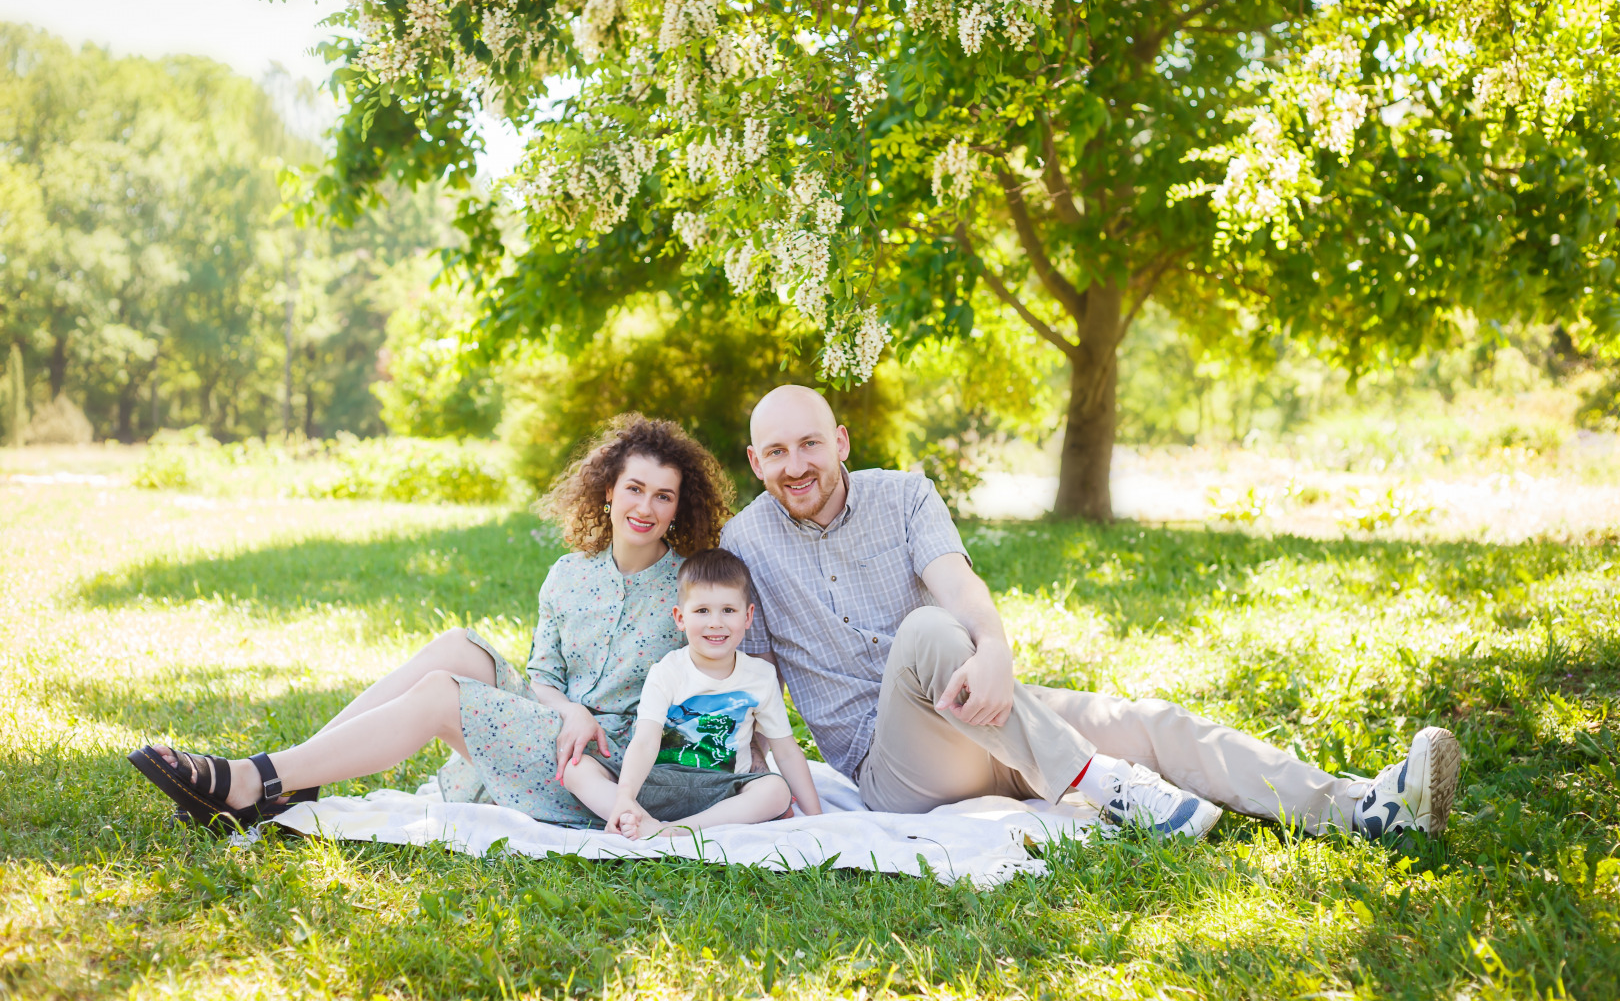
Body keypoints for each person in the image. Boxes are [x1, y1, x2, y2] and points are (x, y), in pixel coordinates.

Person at [720, 385, 1460, 841]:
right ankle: (1097, 783)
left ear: (841, 442)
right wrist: (755, 783)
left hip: (987, 718)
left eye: (811, 443)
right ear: (755, 463)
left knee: (1154, 724)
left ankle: (1363, 808)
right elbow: (747, 675)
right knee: (925, 633)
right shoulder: (744, 540)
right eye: (776, 452)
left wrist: (998, 645)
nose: (796, 466)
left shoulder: (904, 495)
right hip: (898, 768)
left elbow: (957, 584)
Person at [129, 414, 734, 830]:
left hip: (605, 764)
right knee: (457, 647)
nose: (646, 508)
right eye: (635, 488)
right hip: (558, 724)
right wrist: (569, 708)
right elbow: (544, 676)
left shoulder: (690, 588)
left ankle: (250, 780)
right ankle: (296, 776)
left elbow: (714, 685)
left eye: (664, 496)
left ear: (680, 507)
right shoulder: (567, 575)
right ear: (608, 491)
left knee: (443, 696)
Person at [560, 548, 823, 838]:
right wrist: (625, 794)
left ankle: (672, 831)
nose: (715, 622)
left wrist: (817, 818)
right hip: (658, 784)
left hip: (723, 792)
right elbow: (646, 740)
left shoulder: (760, 676)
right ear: (680, 617)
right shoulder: (667, 671)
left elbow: (786, 751)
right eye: (702, 611)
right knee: (577, 770)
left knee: (775, 790)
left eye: (728, 610)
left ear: (747, 616)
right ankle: (634, 814)